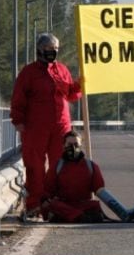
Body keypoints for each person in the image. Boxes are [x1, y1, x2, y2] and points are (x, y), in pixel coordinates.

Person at [11, 33, 83, 220]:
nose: (53, 53)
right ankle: (35, 206)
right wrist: (18, 122)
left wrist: (81, 84)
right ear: (40, 50)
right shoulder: (29, 73)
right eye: (50, 49)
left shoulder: (62, 70)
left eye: (56, 49)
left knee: (60, 166)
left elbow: (71, 95)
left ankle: (56, 205)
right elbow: (18, 98)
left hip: (60, 126)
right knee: (35, 168)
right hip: (35, 127)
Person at [41, 131, 106, 223]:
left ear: (81, 146)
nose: (73, 147)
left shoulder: (91, 166)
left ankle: (76, 216)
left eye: (76, 144)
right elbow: (47, 190)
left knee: (94, 205)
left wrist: (117, 208)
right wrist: (45, 201)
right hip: (64, 204)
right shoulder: (57, 167)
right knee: (54, 205)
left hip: (83, 203)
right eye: (69, 144)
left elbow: (100, 190)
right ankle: (79, 216)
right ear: (64, 146)